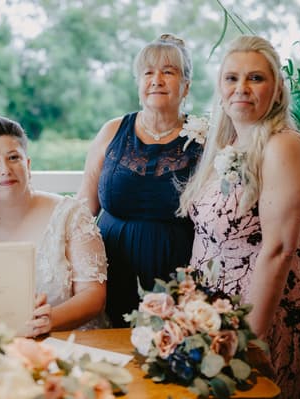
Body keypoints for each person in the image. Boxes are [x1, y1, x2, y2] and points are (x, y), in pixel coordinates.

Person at [178, 35, 300, 398]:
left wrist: (251, 342)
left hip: (261, 313)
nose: (241, 88)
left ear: (277, 90)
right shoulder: (228, 145)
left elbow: (277, 249)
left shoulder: (283, 145)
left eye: (256, 78)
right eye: (232, 78)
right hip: (215, 315)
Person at [77, 34, 205, 327]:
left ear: (186, 86)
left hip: (180, 282)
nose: (156, 80)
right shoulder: (111, 131)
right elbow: (84, 208)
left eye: (168, 72)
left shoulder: (206, 138)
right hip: (111, 272)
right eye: (148, 72)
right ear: (138, 83)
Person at [0, 116, 108, 337]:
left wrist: (50, 320)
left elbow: (93, 295)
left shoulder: (71, 215)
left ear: (27, 165)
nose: (5, 170)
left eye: (13, 157)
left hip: (70, 343)